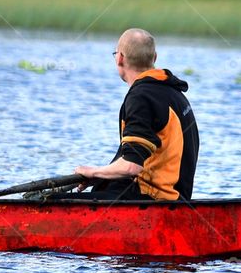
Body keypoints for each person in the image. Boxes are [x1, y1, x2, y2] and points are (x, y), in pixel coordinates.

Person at [75, 28, 199, 201]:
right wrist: (102, 175)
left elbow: (132, 166)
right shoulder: (174, 93)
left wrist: (93, 171)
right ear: (154, 57)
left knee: (51, 202)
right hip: (177, 197)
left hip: (155, 199)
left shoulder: (141, 97)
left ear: (119, 58)